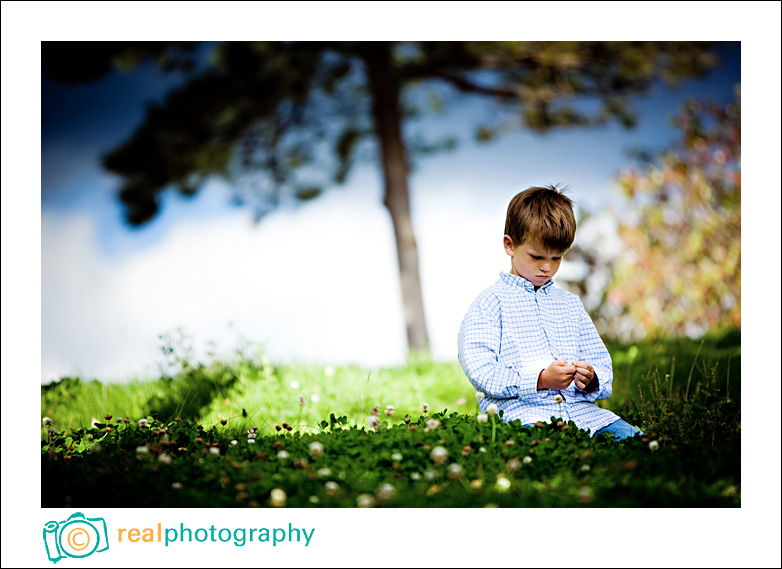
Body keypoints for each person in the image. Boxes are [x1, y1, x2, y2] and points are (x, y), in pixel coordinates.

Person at [457, 185, 641, 440]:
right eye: (536, 256)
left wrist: (591, 378)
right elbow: (481, 370)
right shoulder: (489, 303)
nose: (546, 267)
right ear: (509, 245)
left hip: (586, 415)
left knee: (639, 441)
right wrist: (541, 379)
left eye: (556, 258)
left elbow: (600, 360)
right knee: (549, 449)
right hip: (524, 417)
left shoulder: (570, 304)